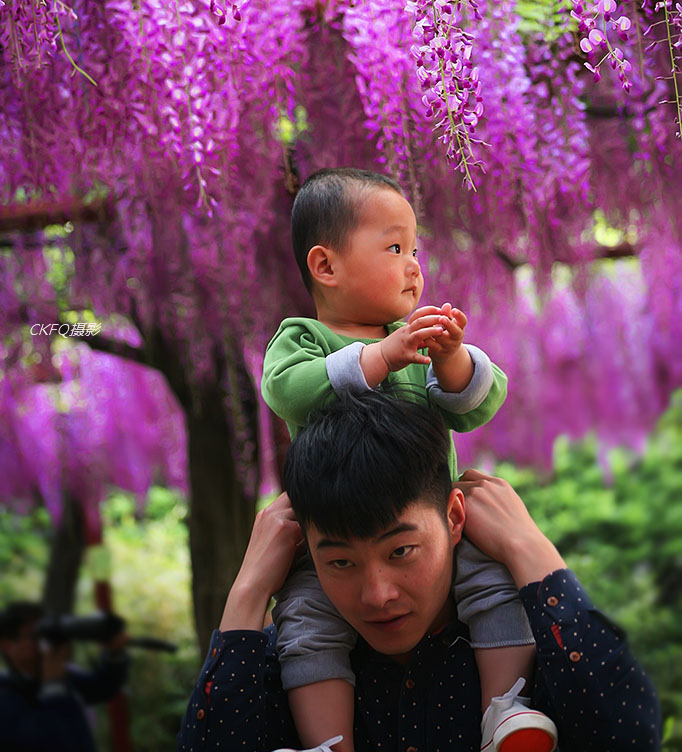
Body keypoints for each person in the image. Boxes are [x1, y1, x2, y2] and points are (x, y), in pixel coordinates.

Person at [176, 391, 661, 751]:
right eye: (341, 561)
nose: (377, 594)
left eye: (401, 551)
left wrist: (527, 547)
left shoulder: (530, 644)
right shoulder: (290, 671)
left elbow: (626, 733)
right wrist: (249, 589)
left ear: (453, 517)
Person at [260, 167, 553, 752]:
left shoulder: (412, 339)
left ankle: (505, 710)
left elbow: (475, 407)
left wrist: (449, 361)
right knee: (305, 625)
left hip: (431, 535)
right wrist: (384, 355)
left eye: (415, 249)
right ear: (326, 267)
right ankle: (328, 743)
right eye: (395, 247)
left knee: (494, 585)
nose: (414, 265)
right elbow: (286, 390)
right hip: (339, 535)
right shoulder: (303, 337)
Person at [0, 600, 129, 752]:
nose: (46, 642)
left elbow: (103, 688)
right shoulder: (5, 695)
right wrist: (54, 685)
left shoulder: (63, 677)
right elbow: (54, 742)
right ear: (7, 646)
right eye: (36, 635)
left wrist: (114, 654)